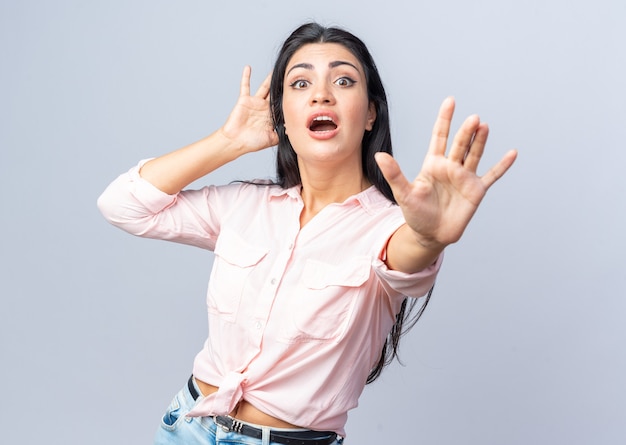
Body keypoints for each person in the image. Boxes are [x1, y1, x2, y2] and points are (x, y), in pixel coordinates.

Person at [97, 22, 517, 445]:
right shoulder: (245, 205)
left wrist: (430, 238)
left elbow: (407, 259)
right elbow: (122, 205)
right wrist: (230, 141)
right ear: (282, 114)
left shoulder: (389, 228)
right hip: (183, 428)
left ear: (370, 112)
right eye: (300, 83)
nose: (321, 94)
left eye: (343, 80)